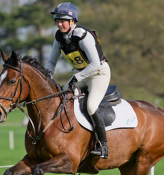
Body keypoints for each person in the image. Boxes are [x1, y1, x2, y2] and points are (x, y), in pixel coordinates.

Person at [46, 2, 111, 159]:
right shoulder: (59, 37)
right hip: (81, 75)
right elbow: (51, 62)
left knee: (91, 106)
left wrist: (76, 77)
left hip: (98, 74)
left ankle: (103, 146)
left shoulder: (82, 35)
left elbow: (95, 64)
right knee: (62, 99)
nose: (59, 24)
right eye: (57, 20)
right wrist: (47, 76)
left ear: (72, 21)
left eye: (62, 20)